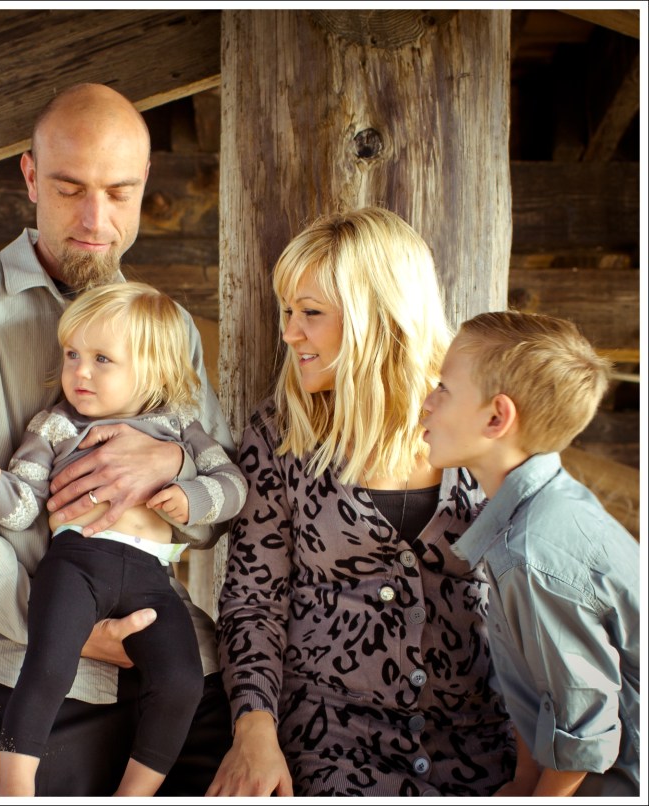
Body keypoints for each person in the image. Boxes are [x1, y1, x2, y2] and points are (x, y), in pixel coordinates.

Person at [0, 83, 235, 796]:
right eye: (70, 188)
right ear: (30, 176)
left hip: (172, 658)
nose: (94, 219)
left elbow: (214, 517)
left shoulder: (168, 327)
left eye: (119, 192)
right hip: (12, 658)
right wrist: (61, 628)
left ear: (145, 184)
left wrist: (170, 460)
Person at [212, 207, 516, 796]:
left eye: (311, 313)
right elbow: (253, 602)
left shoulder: (484, 418)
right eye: (287, 312)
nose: (289, 333)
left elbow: (539, 585)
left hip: (483, 742)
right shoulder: (280, 435)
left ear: (376, 314)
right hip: (329, 743)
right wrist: (254, 731)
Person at [0, 282, 245, 795]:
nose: (79, 372)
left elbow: (233, 486)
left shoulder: (182, 428)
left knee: (181, 681)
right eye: (72, 354)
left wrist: (189, 492)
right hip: (76, 564)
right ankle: (16, 782)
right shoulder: (55, 426)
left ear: (155, 370)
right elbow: (22, 506)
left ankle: (133, 794)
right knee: (50, 661)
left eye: (102, 359)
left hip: (151, 578)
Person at [419, 310, 640, 797]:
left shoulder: (531, 556)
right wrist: (521, 783)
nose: (426, 403)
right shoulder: (538, 508)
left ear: (496, 417)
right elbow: (535, 689)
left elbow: (586, 733)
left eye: (443, 388)